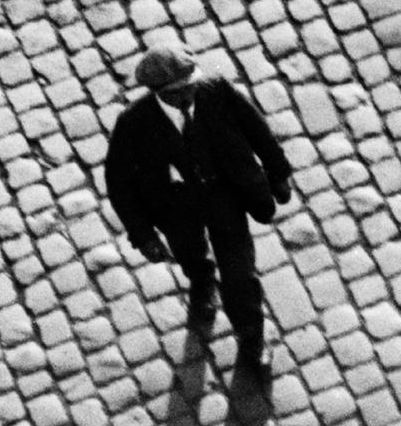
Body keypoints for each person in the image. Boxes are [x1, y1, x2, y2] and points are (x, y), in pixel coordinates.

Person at [103, 46, 293, 391]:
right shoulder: (133, 123)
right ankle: (203, 282)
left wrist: (277, 173)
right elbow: (119, 183)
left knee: (240, 276)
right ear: (160, 94)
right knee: (191, 255)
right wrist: (143, 235)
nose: (191, 95)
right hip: (178, 209)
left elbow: (256, 129)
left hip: (226, 198)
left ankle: (252, 341)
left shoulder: (216, 91)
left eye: (191, 85)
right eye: (180, 93)